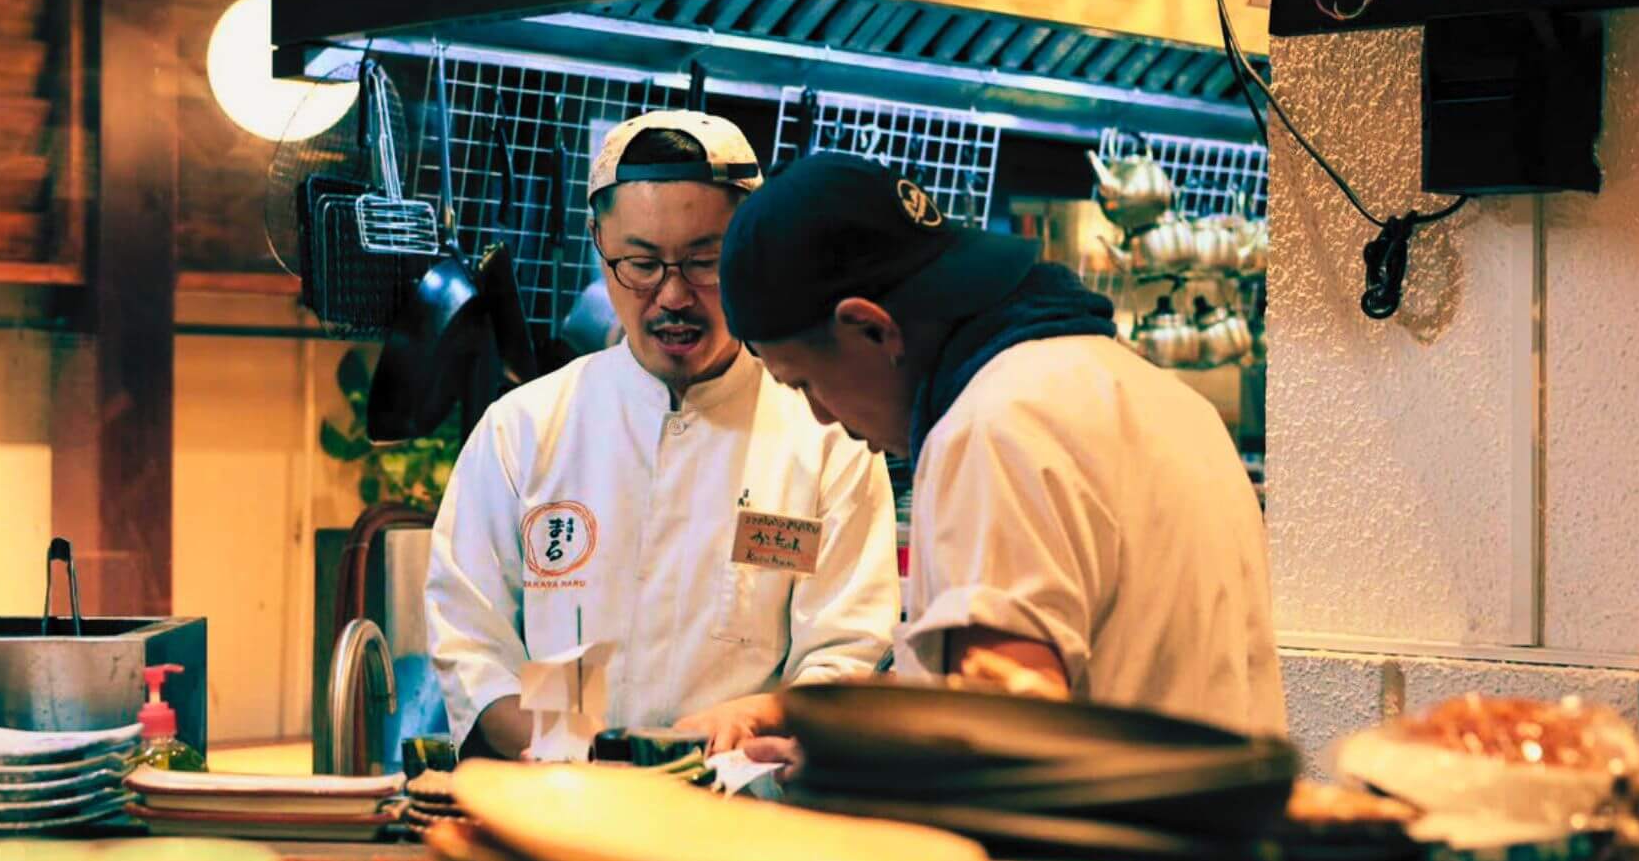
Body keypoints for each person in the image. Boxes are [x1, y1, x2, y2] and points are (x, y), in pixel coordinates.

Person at [717, 151, 1283, 735]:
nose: (820, 416)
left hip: (1103, 825)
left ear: (871, 328)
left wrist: (857, 779)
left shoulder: (993, 429)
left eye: (805, 382)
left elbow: (1009, 731)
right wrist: (846, 737)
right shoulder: (1165, 400)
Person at [425, 113, 900, 758]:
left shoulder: (823, 440)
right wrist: (581, 757)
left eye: (706, 263)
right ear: (598, 243)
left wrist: (761, 715)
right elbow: (474, 644)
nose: (672, 296)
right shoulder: (527, 430)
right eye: (641, 264)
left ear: (748, 253)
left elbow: (844, 654)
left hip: (743, 816)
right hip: (565, 811)